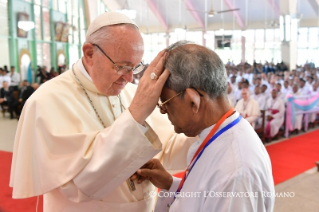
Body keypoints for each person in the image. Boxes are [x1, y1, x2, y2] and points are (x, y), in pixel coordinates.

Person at [10, 12, 179, 212]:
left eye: (135, 67)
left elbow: (168, 146)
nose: (129, 78)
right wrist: (136, 114)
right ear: (90, 54)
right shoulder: (46, 101)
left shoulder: (132, 93)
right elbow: (79, 186)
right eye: (122, 66)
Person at [133, 41, 275, 212]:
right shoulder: (224, 133)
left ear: (193, 101)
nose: (163, 111)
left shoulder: (235, 171)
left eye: (166, 103)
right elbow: (206, 197)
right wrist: (169, 184)